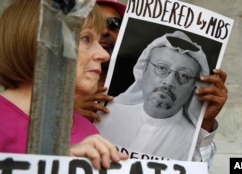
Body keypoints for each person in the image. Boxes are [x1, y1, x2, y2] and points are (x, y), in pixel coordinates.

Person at [74, 0, 227, 167]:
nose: (103, 31)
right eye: (88, 34)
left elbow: (197, 167)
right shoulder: (55, 95)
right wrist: (70, 115)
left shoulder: (185, 128)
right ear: (143, 71)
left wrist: (204, 122)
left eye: (113, 24)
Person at [0, 0, 128, 170]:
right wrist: (50, 165)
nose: (103, 54)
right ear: (41, 39)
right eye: (86, 38)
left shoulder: (89, 132)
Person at [94, 30, 228, 162]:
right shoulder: (102, 114)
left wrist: (205, 123)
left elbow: (200, 167)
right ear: (143, 70)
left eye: (183, 76)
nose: (169, 82)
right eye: (162, 68)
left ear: (194, 87)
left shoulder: (193, 137)